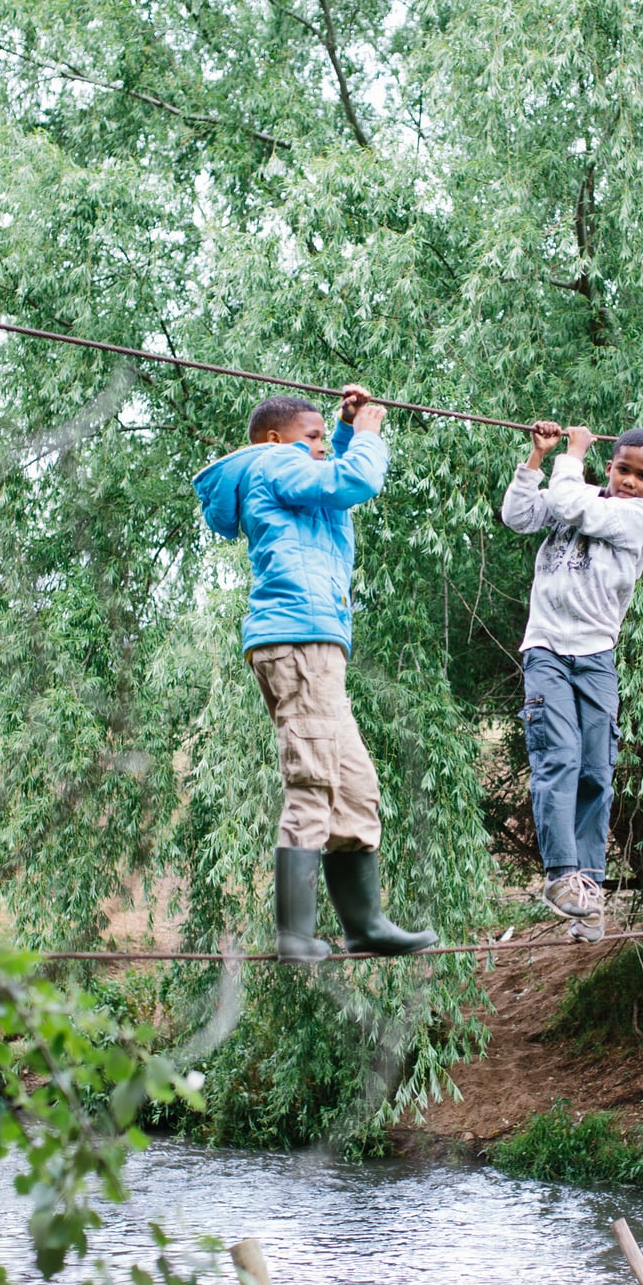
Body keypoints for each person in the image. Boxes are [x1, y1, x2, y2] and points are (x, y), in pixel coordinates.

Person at [194, 386, 438, 961]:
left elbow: (331, 489)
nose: (323, 448)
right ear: (277, 440)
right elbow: (351, 483)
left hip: (317, 644)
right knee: (314, 783)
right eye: (316, 438)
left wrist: (348, 427)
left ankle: (363, 925)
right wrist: (372, 434)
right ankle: (295, 934)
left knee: (354, 788)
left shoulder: (292, 472)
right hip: (298, 639)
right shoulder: (275, 463)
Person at [500, 419, 643, 940]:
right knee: (560, 757)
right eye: (622, 469)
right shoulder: (576, 489)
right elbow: (519, 515)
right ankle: (561, 877)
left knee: (597, 768)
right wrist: (538, 458)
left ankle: (589, 890)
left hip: (596, 655)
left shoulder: (638, 518)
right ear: (610, 466)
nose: (629, 481)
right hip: (547, 649)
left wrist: (570, 458)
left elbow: (574, 506)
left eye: (642, 476)